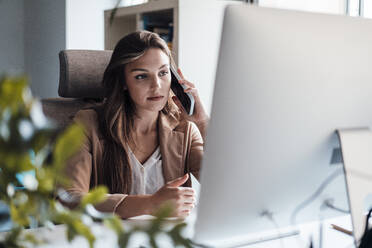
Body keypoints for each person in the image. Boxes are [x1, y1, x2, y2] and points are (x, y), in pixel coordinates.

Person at [61, 31, 209, 219]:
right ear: (123, 82)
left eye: (163, 73)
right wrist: (149, 204)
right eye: (141, 76)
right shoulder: (88, 124)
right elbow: (68, 199)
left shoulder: (184, 130)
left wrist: (203, 124)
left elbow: (226, 186)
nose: (157, 85)